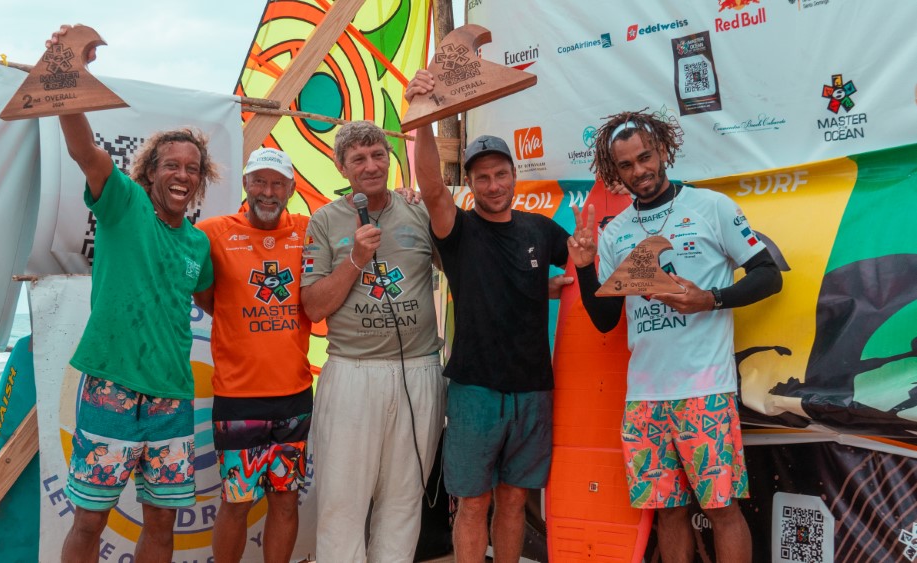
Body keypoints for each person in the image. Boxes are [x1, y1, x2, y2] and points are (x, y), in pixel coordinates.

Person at [568, 110, 783, 563]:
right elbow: (606, 320)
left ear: (663, 150)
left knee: (723, 509)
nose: (639, 171)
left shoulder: (711, 207)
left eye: (645, 157)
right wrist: (586, 266)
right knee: (667, 515)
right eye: (626, 165)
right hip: (644, 398)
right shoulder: (617, 232)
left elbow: (768, 276)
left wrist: (712, 298)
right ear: (615, 172)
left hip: (705, 392)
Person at [48, 26, 216, 563]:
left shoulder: (197, 242)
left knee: (162, 524)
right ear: (149, 172)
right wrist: (67, 74)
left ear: (200, 181)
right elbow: (82, 149)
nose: (182, 175)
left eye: (192, 169)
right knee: (90, 522)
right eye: (171, 165)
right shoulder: (122, 203)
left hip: (173, 399)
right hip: (110, 392)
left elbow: (219, 306)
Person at [407, 70, 573, 563]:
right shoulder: (456, 228)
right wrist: (423, 116)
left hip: (533, 389)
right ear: (471, 182)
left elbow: (584, 267)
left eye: (502, 174)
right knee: (473, 503)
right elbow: (433, 186)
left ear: (514, 176)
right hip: (475, 390)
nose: (494, 184)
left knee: (516, 501)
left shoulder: (542, 229)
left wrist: (560, 278)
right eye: (483, 176)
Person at [300, 120, 446, 562]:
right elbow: (313, 307)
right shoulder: (324, 221)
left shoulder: (418, 210)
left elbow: (464, 263)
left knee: (403, 503)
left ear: (391, 158)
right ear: (342, 167)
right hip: (352, 373)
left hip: (419, 369)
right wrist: (356, 260)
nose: (371, 165)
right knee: (342, 504)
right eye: (358, 158)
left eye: (378, 154)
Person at [193, 148, 312, 563]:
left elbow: (362, 218)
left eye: (278, 183)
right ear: (245, 185)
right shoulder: (213, 232)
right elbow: (208, 297)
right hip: (237, 398)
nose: (268, 191)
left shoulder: (309, 229)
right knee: (237, 501)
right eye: (259, 181)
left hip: (294, 395)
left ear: (292, 189)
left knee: (285, 500)